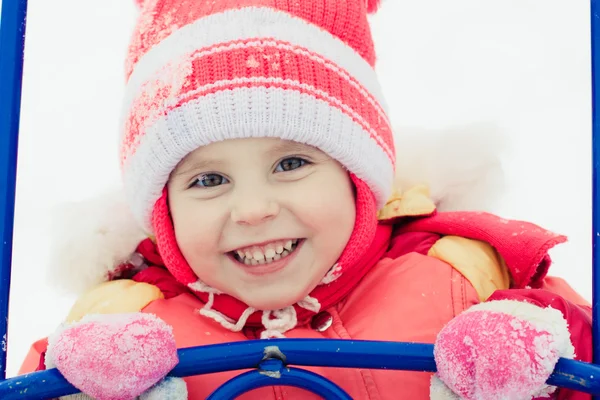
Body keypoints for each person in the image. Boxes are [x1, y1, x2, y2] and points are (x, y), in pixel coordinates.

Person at [19, 0, 592, 399]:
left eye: (290, 164)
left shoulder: (460, 274)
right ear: (163, 213)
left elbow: (584, 354)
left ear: (356, 178)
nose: (252, 209)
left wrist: (540, 344)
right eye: (207, 181)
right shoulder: (124, 319)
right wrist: (73, 383)